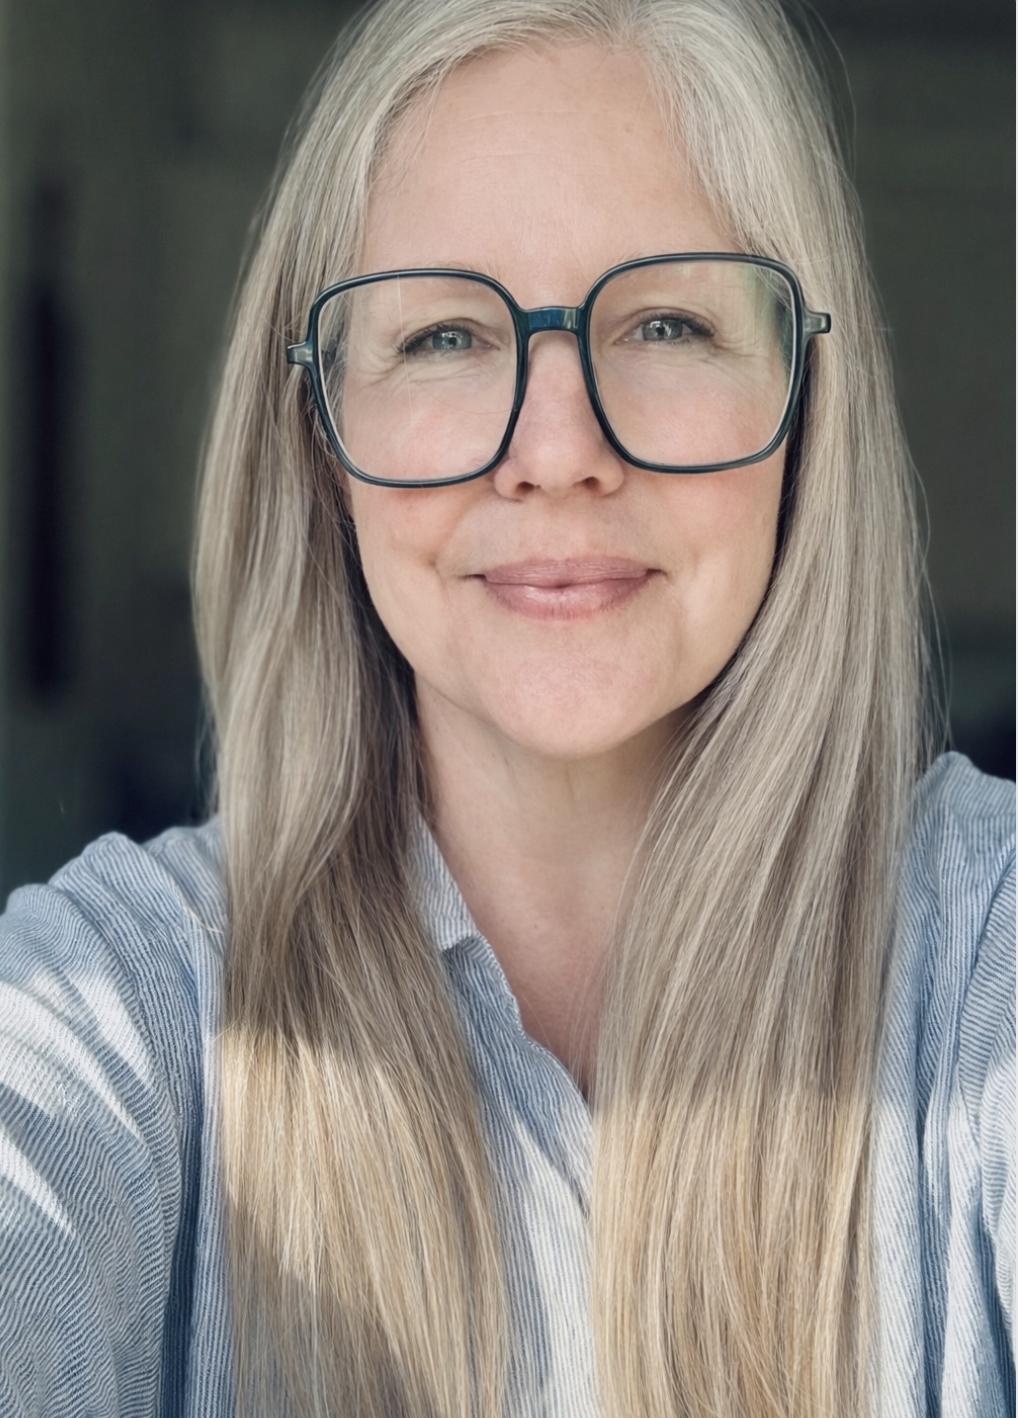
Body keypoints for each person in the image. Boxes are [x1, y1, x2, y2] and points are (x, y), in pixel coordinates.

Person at [0, 0, 1013, 1414]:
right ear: (318, 434)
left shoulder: (981, 955)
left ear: (804, 400)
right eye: (443, 338)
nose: (556, 449)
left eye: (666, 321)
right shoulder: (126, 998)